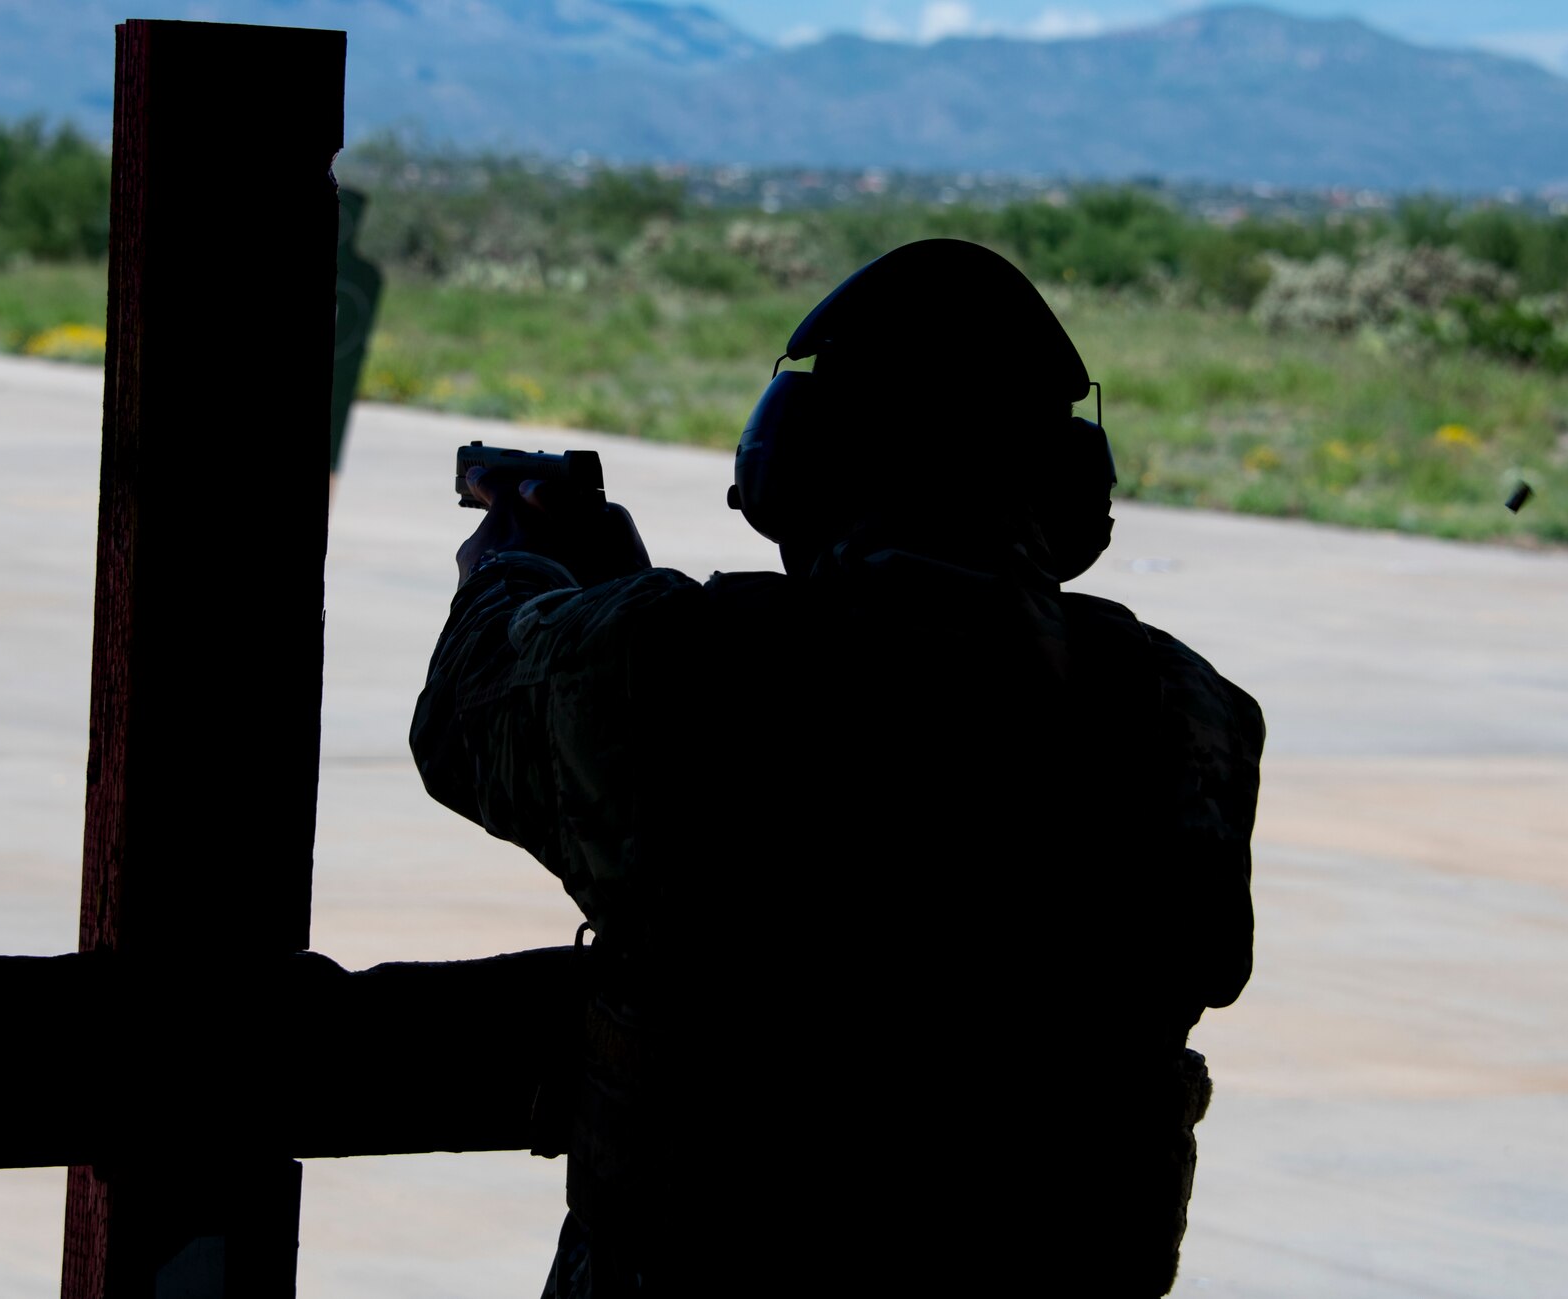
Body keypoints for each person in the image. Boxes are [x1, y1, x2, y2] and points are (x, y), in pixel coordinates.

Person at [410, 239, 1264, 1296]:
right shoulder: (1186, 707)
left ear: (788, 471)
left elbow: (469, 722)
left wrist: (516, 567)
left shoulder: (669, 662)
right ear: (1068, 495)